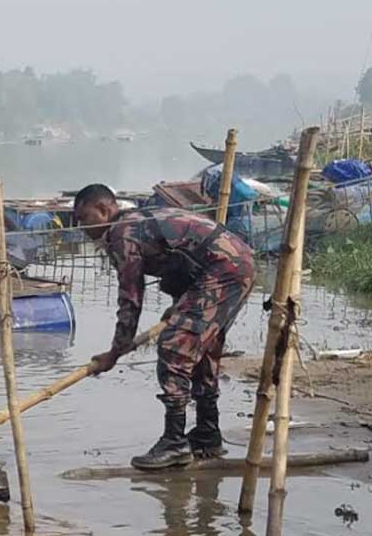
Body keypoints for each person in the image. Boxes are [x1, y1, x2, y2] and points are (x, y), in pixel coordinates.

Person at [74, 184, 255, 470]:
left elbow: (131, 296)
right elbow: (178, 261)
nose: (80, 226)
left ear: (104, 209)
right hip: (233, 264)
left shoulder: (123, 232)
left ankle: (174, 442)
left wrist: (115, 351)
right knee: (201, 348)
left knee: (175, 346)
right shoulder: (140, 221)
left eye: (83, 217)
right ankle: (208, 435)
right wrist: (179, 306)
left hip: (224, 267)